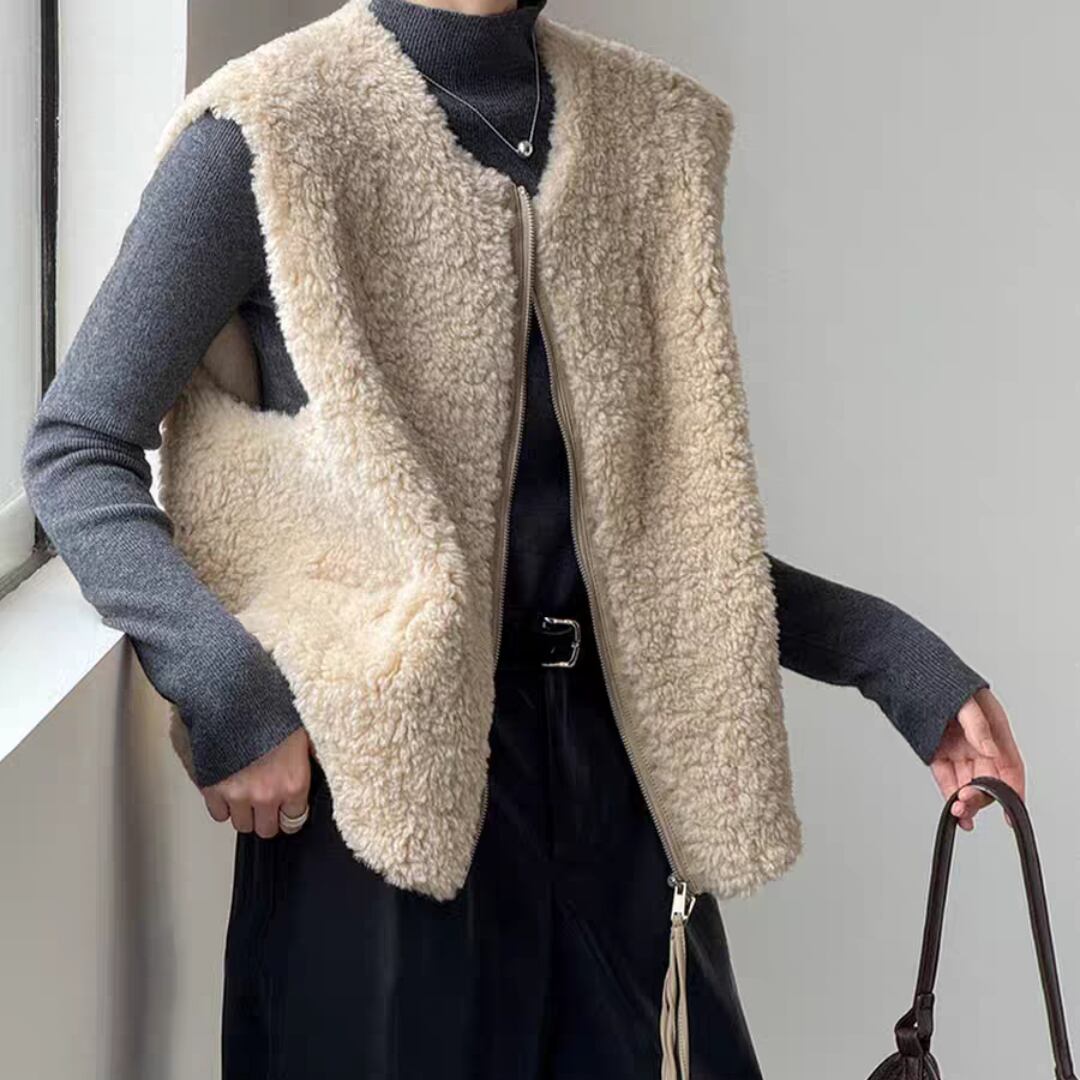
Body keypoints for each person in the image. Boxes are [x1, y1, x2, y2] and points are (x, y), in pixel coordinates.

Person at [20, 0, 1025, 1077]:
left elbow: (643, 546)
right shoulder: (272, 126)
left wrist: (889, 656)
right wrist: (225, 685)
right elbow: (78, 447)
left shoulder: (644, 130)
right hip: (387, 802)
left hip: (617, 787)